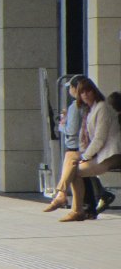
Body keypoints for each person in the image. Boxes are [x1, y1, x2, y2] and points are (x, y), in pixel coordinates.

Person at [52, 79, 121, 222]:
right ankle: (64, 197)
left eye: (88, 91)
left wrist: (84, 156)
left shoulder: (102, 108)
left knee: (75, 171)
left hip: (110, 154)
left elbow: (99, 139)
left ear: (94, 91)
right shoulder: (90, 110)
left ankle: (71, 204)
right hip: (100, 152)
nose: (85, 95)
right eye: (82, 92)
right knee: (70, 156)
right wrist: (82, 155)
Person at [43, 75, 98, 215]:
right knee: (79, 175)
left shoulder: (75, 106)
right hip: (88, 146)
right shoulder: (90, 105)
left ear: (75, 89)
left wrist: (62, 125)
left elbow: (71, 130)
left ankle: (62, 195)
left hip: (75, 146)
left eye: (71, 88)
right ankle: (84, 206)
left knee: (74, 171)